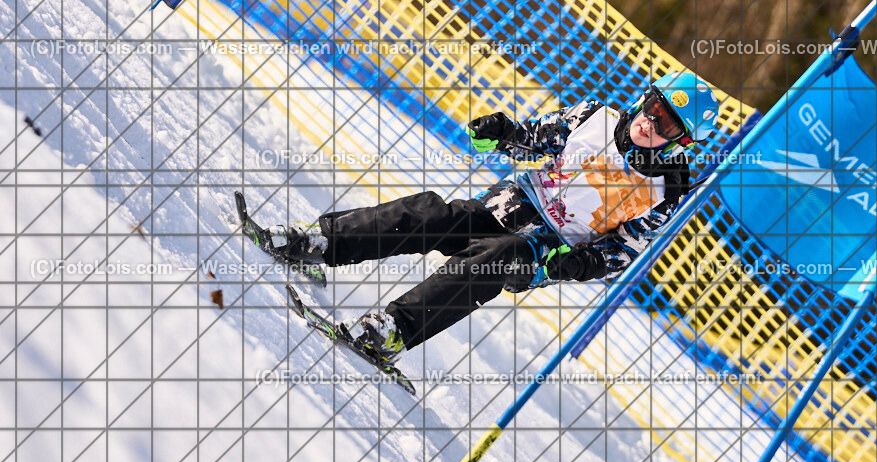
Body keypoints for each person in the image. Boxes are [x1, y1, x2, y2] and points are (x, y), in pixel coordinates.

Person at [267, 71, 720, 363]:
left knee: (494, 259)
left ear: (681, 142)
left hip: (545, 250)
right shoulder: (595, 116)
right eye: (655, 108)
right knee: (432, 215)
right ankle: (322, 244)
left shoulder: (667, 191)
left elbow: (623, 253)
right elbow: (534, 138)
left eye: (667, 125)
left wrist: (579, 265)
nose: (650, 123)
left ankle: (390, 332)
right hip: (510, 204)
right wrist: (501, 134)